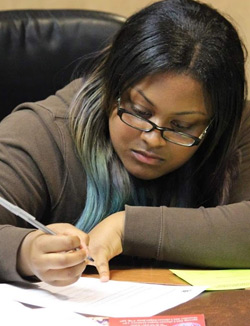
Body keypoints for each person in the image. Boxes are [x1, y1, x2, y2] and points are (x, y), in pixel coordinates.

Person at [0, 0, 249, 287]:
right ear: (109, 87)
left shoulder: (236, 128)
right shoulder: (43, 131)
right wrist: (25, 251)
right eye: (140, 112)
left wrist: (127, 227)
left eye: (182, 126)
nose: (153, 138)